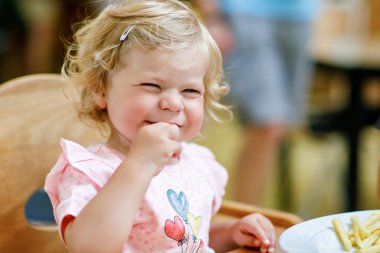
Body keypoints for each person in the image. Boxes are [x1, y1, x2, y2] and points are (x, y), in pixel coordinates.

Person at [44, 0, 276, 252]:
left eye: (190, 90)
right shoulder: (90, 172)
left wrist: (232, 234)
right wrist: (139, 164)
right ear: (100, 89)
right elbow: (90, 248)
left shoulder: (197, 163)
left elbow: (188, 240)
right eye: (152, 86)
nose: (174, 103)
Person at [191, 0, 319, 205]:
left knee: (284, 127)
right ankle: (243, 220)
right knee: (268, 125)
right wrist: (212, 14)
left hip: (300, 16)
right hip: (247, 13)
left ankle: (265, 214)